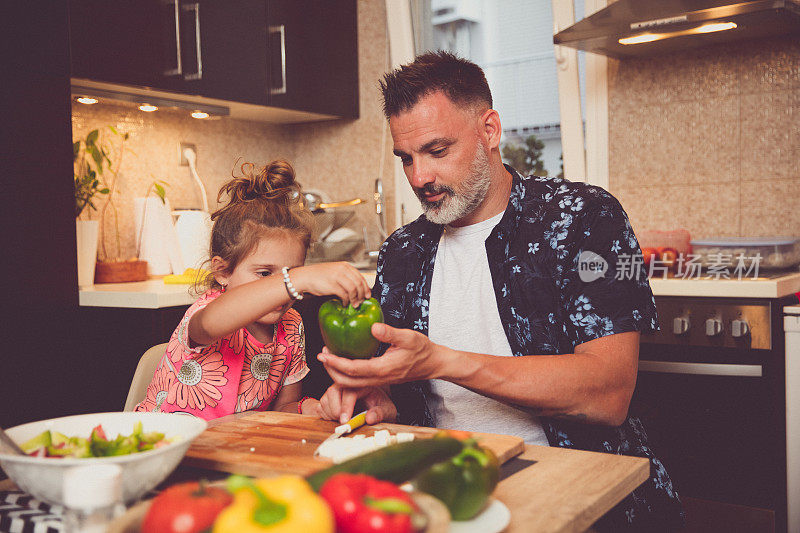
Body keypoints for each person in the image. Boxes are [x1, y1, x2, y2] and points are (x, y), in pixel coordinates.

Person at [315, 51, 684, 529]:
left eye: (437, 151)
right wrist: (377, 399)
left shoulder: (584, 218)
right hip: (450, 495)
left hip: (586, 495)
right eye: (405, 158)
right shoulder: (401, 251)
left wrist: (441, 360)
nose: (418, 177)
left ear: (490, 130)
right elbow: (411, 394)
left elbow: (609, 393)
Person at [134, 160, 370, 420]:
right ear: (223, 272)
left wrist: (315, 408)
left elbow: (283, 409)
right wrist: (297, 279)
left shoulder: (291, 326)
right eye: (265, 273)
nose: (281, 288)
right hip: (167, 446)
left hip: (232, 447)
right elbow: (212, 324)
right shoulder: (208, 311)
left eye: (291, 271)